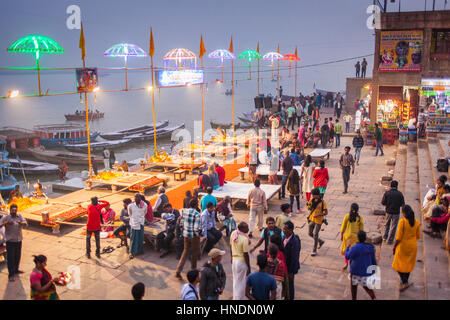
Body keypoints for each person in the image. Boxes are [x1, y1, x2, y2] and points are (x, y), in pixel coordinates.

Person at [392, 205, 420, 292]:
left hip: (403, 246)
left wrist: (394, 246)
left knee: (397, 265)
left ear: (404, 213)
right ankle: (405, 281)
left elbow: (398, 237)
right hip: (412, 246)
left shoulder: (402, 222)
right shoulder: (416, 222)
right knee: (408, 264)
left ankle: (405, 282)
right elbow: (418, 236)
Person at [345, 230, 377, 300]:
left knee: (354, 287)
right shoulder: (371, 247)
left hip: (355, 271)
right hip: (366, 272)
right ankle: (373, 297)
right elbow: (373, 260)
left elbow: (347, 256)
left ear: (358, 238)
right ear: (365, 238)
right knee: (366, 287)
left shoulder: (355, 247)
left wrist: (347, 247)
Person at [176, 198, 202, 279]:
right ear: (195, 205)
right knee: (194, 254)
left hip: (186, 235)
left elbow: (181, 223)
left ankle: (178, 270)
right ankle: (193, 271)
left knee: (185, 252)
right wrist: (198, 235)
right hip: (194, 236)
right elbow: (196, 228)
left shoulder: (184, 211)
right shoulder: (197, 214)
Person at [1, 204, 27, 281]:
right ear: (10, 210)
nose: (14, 212)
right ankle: (11, 274)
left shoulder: (19, 216)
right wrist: (5, 224)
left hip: (18, 240)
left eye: (15, 211)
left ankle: (16, 270)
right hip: (10, 241)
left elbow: (25, 223)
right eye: (12, 211)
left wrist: (21, 223)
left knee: (17, 256)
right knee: (10, 258)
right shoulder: (6, 218)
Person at [230, 222, 251, 300]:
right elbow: (246, 254)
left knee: (236, 281)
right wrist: (249, 267)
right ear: (242, 229)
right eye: (246, 228)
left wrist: (231, 257)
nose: (248, 229)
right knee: (242, 282)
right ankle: (239, 298)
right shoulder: (244, 239)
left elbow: (230, 245)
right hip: (241, 262)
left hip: (234, 260)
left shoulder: (234, 233)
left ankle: (236, 297)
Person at [340, 203, 364, 270]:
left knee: (346, 250)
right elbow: (361, 229)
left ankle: (346, 263)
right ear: (357, 210)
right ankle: (352, 264)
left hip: (347, 237)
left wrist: (341, 235)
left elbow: (343, 227)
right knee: (354, 251)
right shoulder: (360, 218)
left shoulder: (347, 216)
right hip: (355, 237)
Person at [381, 180, 405, 245]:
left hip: (388, 212)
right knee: (394, 227)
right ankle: (390, 240)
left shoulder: (387, 193)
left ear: (391, 186)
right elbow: (402, 204)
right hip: (396, 212)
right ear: (397, 186)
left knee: (387, 225)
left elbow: (383, 202)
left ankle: (385, 237)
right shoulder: (400, 194)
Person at [282, 221, 301, 300]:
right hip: (284, 267)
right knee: (285, 285)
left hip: (290, 268)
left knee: (290, 286)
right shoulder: (284, 237)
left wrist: (291, 272)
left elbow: (294, 258)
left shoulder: (294, 242)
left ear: (291, 230)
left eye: (285, 229)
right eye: (283, 229)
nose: (283, 231)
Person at [307, 188, 327, 256]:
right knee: (310, 233)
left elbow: (326, 212)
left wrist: (319, 214)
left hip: (319, 221)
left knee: (315, 234)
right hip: (312, 219)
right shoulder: (311, 200)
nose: (312, 196)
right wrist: (308, 205)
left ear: (317, 195)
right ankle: (320, 241)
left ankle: (314, 250)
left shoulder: (322, 202)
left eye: (313, 195)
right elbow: (309, 208)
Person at [128, 194, 147, 259]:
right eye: (135, 198)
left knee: (140, 237)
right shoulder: (130, 206)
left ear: (140, 199)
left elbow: (145, 213)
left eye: (138, 198)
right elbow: (130, 214)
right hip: (134, 223)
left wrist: (140, 218)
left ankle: (139, 250)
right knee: (133, 238)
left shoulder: (144, 205)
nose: (136, 199)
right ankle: (131, 252)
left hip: (141, 222)